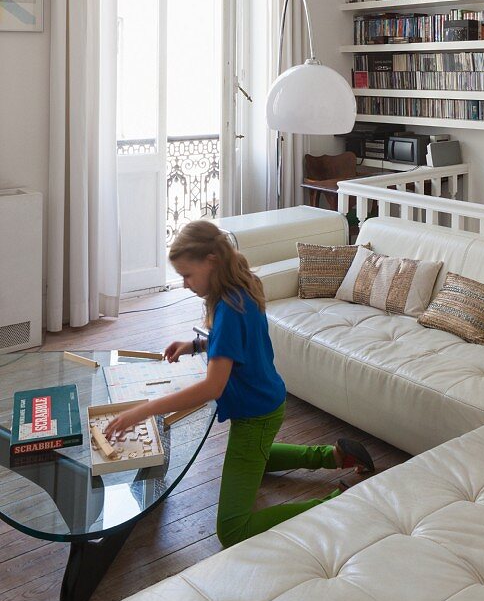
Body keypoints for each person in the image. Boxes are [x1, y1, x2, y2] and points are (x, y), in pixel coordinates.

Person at [105, 219, 374, 548]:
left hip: (257, 416)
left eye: (188, 275)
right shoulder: (240, 288)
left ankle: (333, 504)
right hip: (265, 405)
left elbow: (211, 388)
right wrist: (195, 345)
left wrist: (143, 411)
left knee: (233, 529)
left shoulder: (229, 306)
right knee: (254, 460)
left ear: (211, 261)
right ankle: (332, 456)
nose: (186, 284)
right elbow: (234, 344)